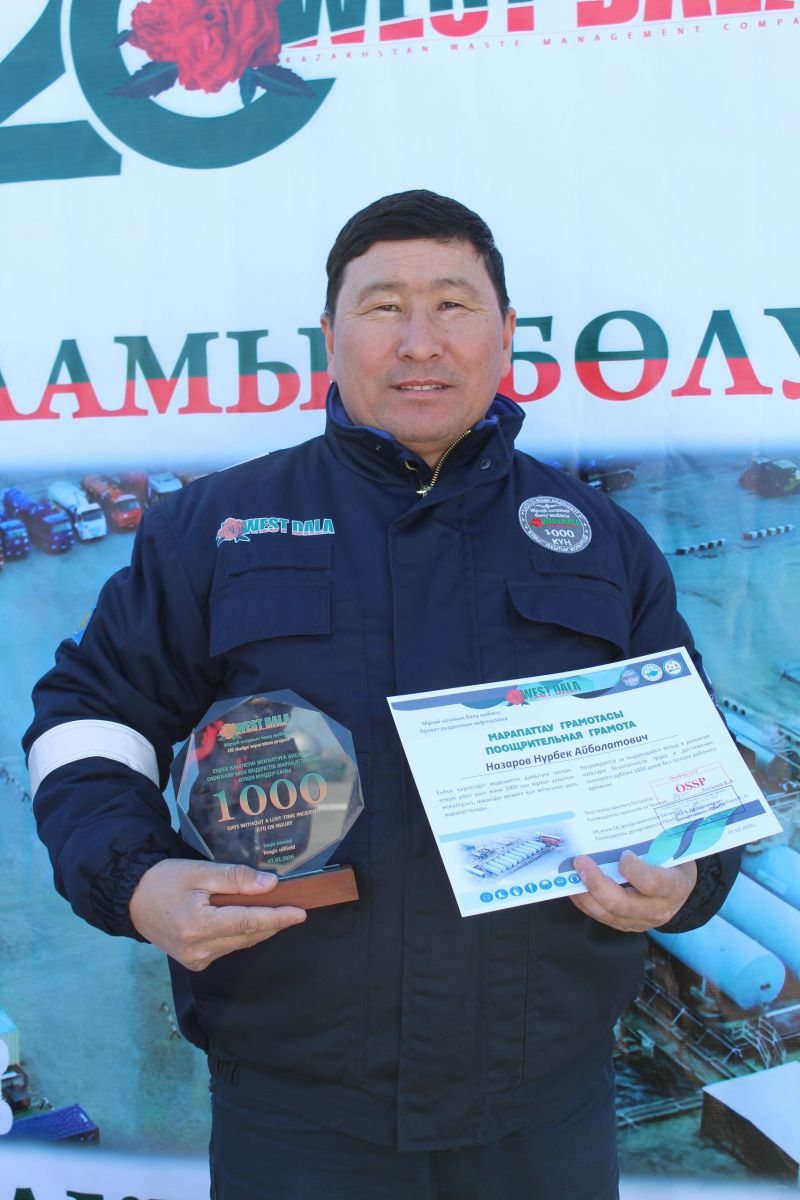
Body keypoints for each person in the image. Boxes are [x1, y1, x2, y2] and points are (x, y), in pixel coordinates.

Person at [25, 190, 739, 1200]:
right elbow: (90, 719)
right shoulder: (217, 530)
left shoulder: (600, 541)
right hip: (299, 1115)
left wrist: (687, 876)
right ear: (330, 336)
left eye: (452, 304)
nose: (418, 341)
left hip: (547, 1110)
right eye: (382, 306)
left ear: (505, 334)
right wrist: (133, 878)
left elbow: (695, 761)